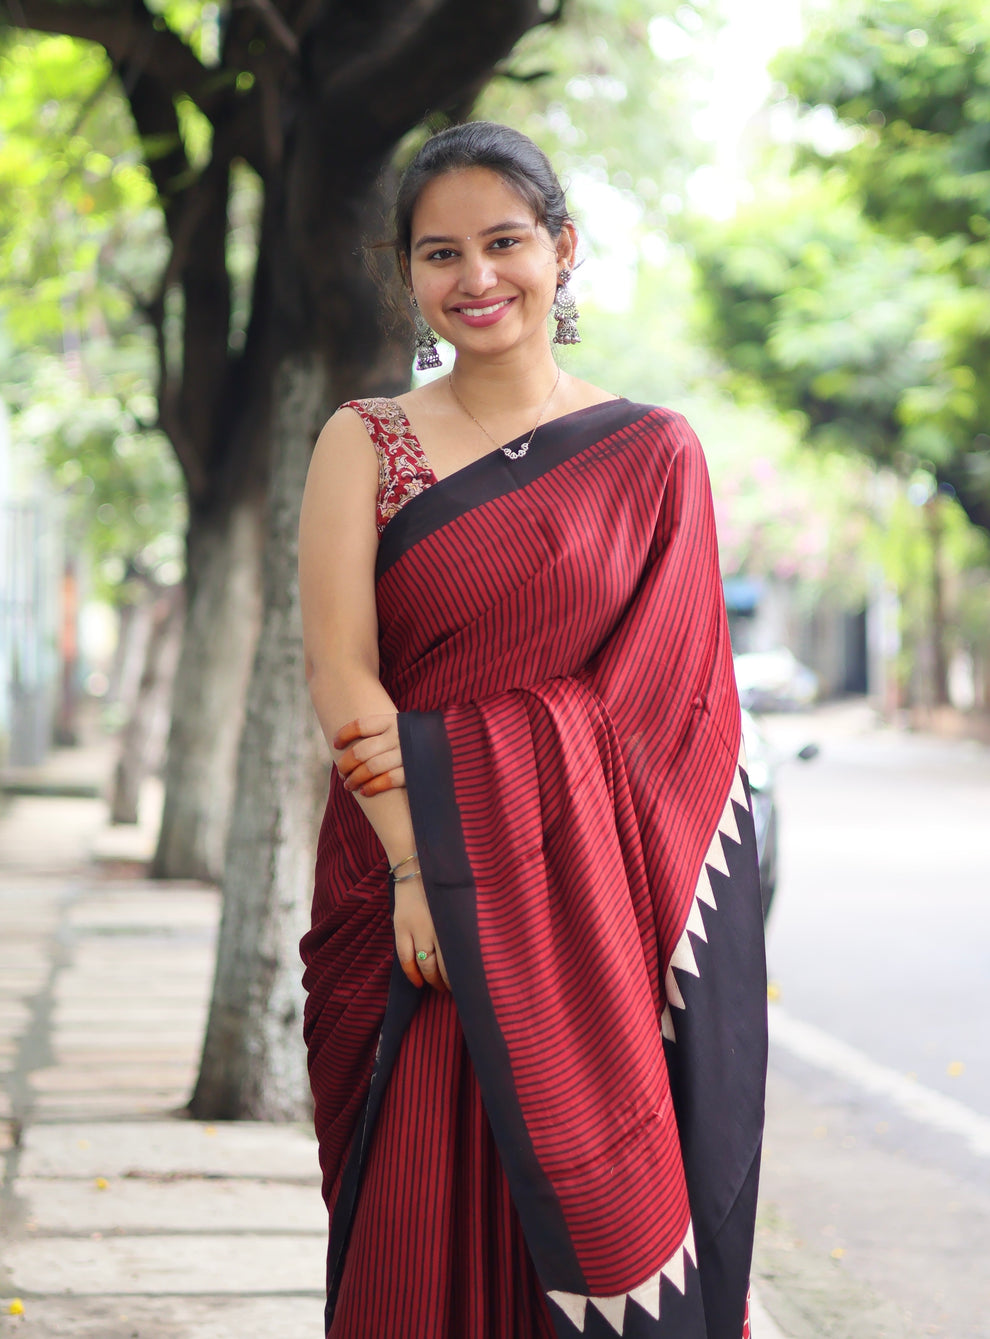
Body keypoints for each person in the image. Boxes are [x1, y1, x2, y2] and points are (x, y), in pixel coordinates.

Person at [298, 121, 767, 1339]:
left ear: (563, 251)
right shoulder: (366, 443)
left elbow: (668, 705)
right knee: (413, 1204)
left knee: (586, 1196)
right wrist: (417, 864)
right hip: (403, 880)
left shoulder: (652, 453)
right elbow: (343, 668)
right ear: (407, 274)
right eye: (440, 253)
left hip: (579, 905)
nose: (476, 278)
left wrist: (469, 766)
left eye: (506, 242)